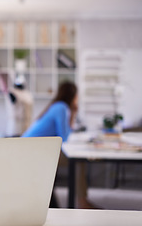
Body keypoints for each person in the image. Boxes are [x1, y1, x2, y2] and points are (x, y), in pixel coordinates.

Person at [22, 81, 95, 209]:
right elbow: (65, 137)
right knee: (77, 160)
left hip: (33, 148)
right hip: (31, 151)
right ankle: (82, 201)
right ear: (73, 96)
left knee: (76, 160)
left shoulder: (57, 106)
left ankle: (80, 201)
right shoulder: (62, 107)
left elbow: (64, 134)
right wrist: (73, 113)